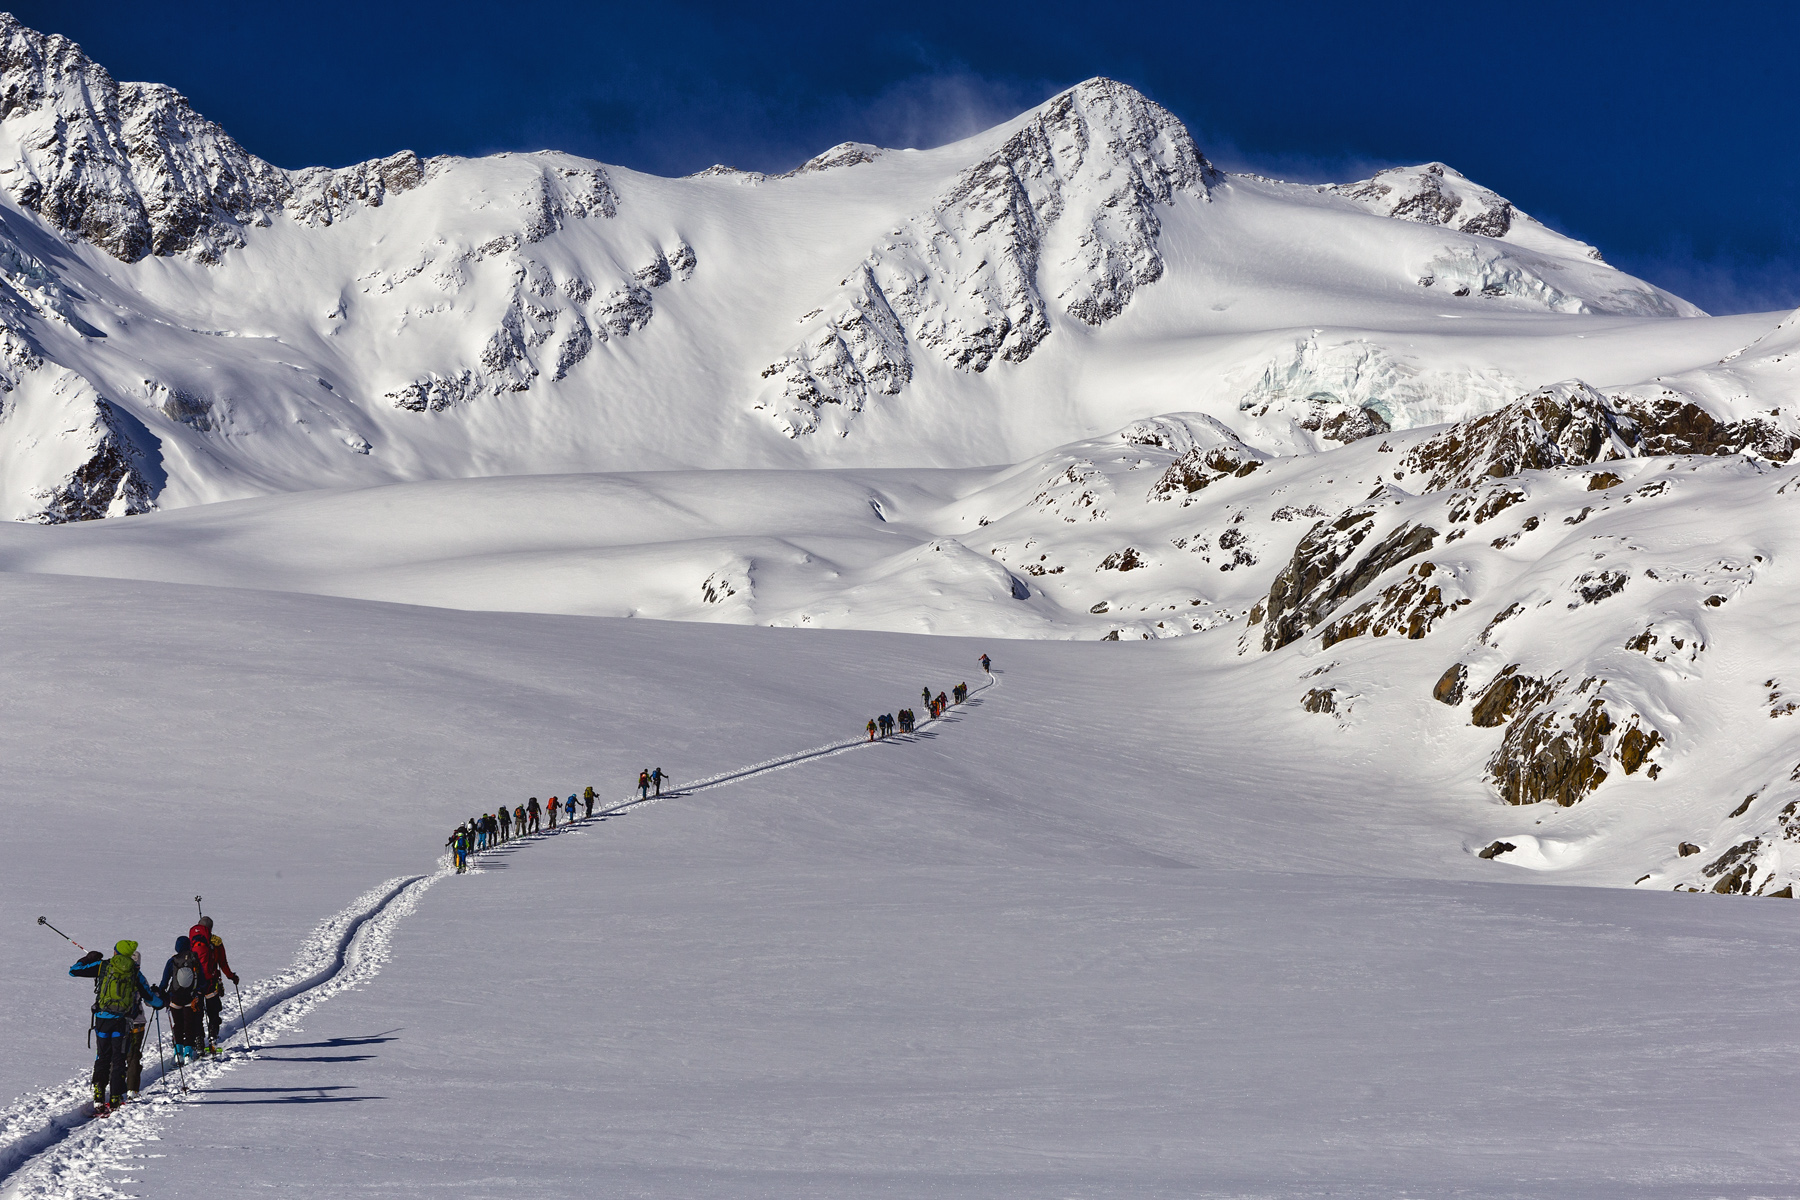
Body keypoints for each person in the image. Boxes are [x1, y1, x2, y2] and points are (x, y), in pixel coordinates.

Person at [71, 940, 163, 1115]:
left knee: (102, 1057)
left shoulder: (103, 966)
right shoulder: (135, 973)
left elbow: (74, 971)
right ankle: (115, 1097)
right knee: (119, 1058)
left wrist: (88, 958)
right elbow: (152, 1000)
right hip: (122, 1022)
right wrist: (162, 1001)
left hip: (101, 1020)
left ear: (115, 952)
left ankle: (98, 1096)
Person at [191, 915, 238, 1053]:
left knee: (197, 1014)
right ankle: (212, 1039)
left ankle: (198, 1041)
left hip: (195, 984)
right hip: (211, 983)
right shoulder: (216, 942)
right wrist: (231, 976)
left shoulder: (192, 941)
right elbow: (222, 963)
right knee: (213, 1012)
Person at [160, 935, 204, 1062]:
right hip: (191, 998)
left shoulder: (172, 960)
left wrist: (162, 992)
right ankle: (188, 1054)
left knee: (178, 1025)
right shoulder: (194, 959)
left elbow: (165, 980)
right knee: (189, 1025)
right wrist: (200, 991)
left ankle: (177, 1053)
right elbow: (202, 980)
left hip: (175, 997)